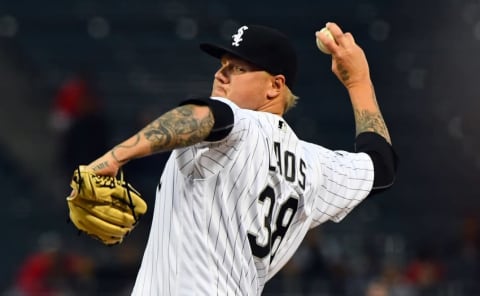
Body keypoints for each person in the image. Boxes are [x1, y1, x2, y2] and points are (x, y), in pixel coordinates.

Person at [78, 22, 397, 295]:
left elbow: (204, 116)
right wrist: (359, 82)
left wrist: (116, 157)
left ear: (275, 86)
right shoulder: (313, 165)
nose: (221, 74)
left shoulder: (241, 123)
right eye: (222, 64)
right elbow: (381, 166)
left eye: (238, 68)